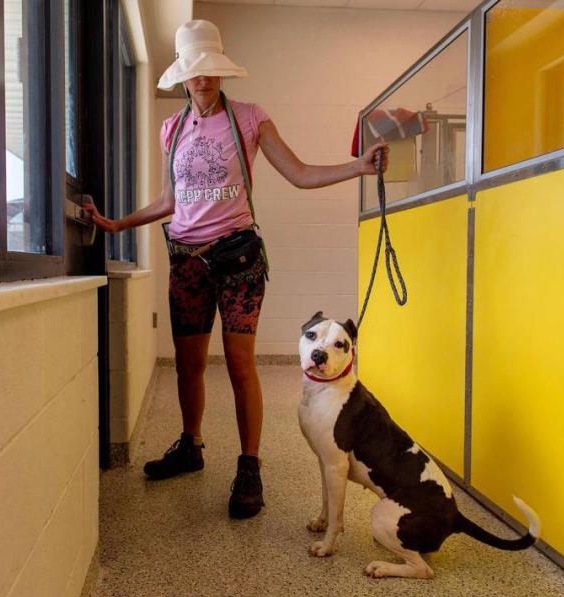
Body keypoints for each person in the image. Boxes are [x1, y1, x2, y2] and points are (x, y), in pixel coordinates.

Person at [83, 19, 388, 519]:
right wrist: (117, 225)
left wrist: (358, 167)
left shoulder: (249, 118)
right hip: (185, 259)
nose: (203, 80)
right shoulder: (171, 128)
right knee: (188, 364)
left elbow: (299, 173)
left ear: (221, 72)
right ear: (183, 76)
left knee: (241, 364)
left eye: (210, 70)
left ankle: (250, 465)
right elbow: (168, 200)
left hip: (238, 257)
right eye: (194, 72)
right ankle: (191, 445)